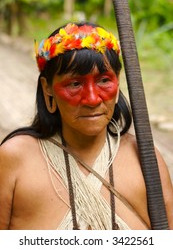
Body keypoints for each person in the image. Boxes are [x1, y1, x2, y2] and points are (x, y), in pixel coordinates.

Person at [0, 22, 173, 230]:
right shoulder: (15, 159)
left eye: (103, 81)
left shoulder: (144, 159)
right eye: (74, 84)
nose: (92, 99)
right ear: (47, 88)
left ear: (117, 82)